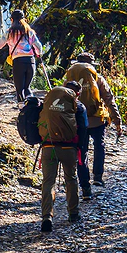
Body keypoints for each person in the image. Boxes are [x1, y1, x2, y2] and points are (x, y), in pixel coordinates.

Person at [65, 53, 123, 198]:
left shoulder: (69, 79)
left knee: (81, 151)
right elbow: (109, 99)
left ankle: (85, 185)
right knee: (99, 146)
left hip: (78, 120)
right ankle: (98, 177)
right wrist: (117, 120)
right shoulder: (98, 78)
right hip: (96, 119)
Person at [38, 81, 88, 232]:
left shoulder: (47, 102)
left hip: (48, 147)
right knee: (71, 179)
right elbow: (84, 128)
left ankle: (47, 216)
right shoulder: (78, 107)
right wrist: (81, 148)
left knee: (48, 181)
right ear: (76, 93)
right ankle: (73, 213)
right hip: (68, 148)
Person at [0, 9, 43, 102]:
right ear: (24, 19)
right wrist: (38, 53)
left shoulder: (10, 32)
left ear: (11, 20)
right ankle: (31, 106)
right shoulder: (30, 32)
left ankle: (22, 109)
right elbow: (39, 47)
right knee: (27, 87)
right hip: (31, 61)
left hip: (18, 62)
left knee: (20, 90)